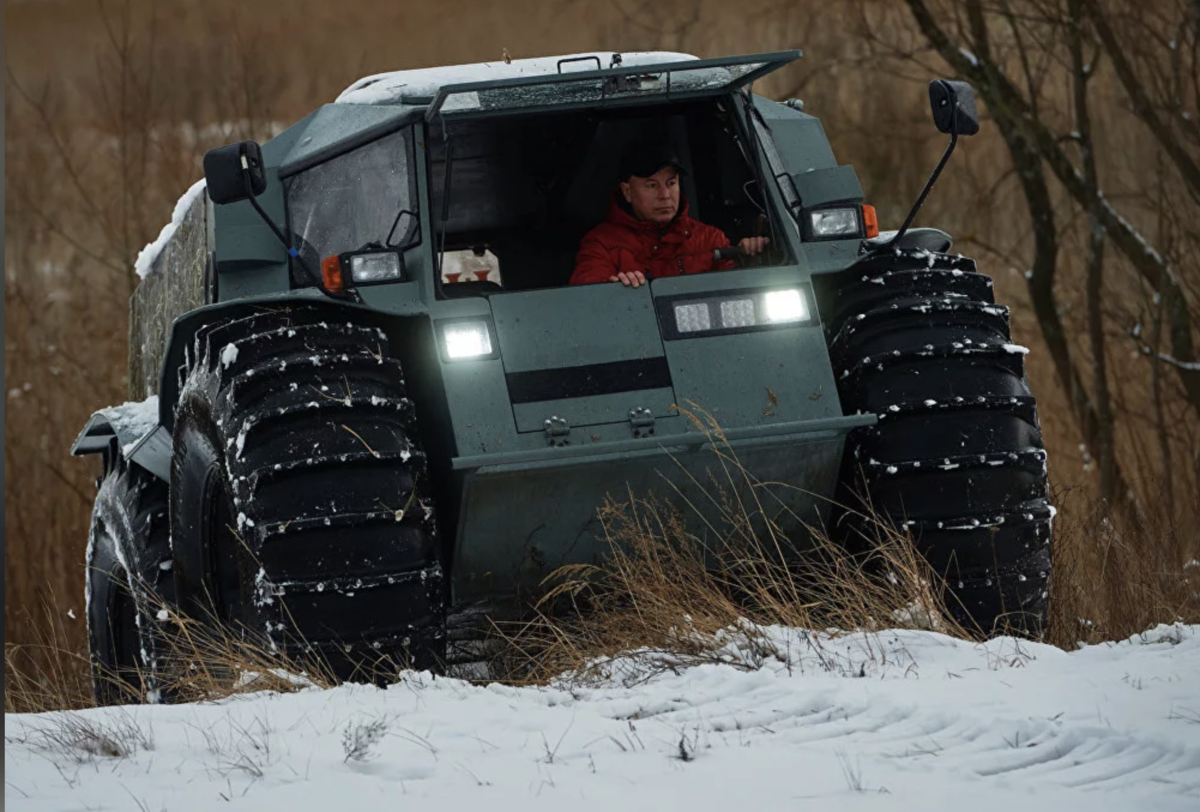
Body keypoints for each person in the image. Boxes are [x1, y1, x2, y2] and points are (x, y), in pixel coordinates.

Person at [569, 141, 769, 287]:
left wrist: (752, 262)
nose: (665, 195)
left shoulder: (710, 239)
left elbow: (739, 297)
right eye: (651, 185)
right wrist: (613, 289)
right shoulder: (601, 244)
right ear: (627, 191)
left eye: (671, 183)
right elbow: (587, 299)